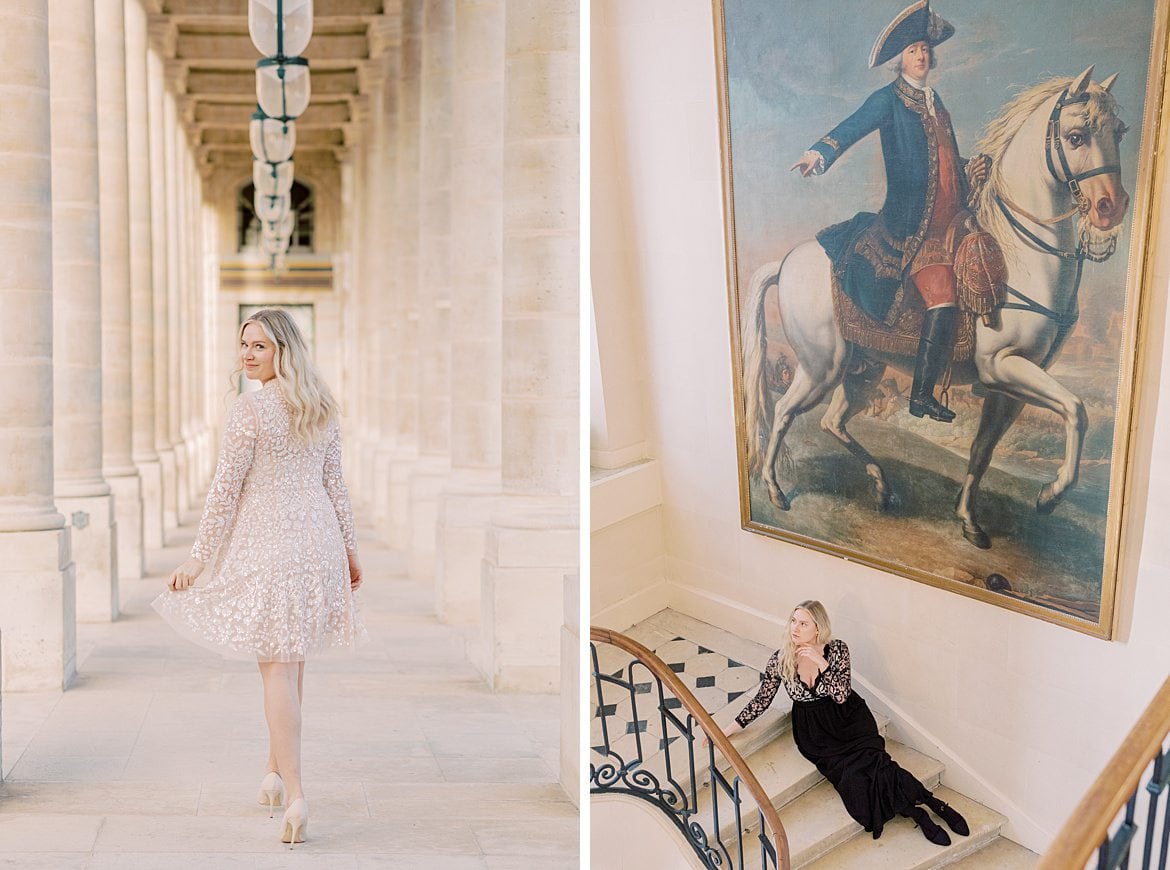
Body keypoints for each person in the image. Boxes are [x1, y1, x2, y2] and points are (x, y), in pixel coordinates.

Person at [153, 308, 365, 848]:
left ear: (283, 352)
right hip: (314, 540)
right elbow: (335, 486)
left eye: (260, 347)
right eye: (244, 344)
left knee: (275, 667)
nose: (247, 354)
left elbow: (225, 492)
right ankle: (273, 773)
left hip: (271, 544)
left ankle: (295, 792)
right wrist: (348, 549)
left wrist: (198, 559)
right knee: (289, 665)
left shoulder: (249, 411)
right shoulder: (320, 406)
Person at [790, 1, 990, 424]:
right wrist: (818, 154)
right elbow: (852, 127)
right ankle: (921, 396)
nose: (923, 56)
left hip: (953, 223)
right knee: (943, 300)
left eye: (926, 50)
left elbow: (946, 162)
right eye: (915, 50)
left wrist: (970, 168)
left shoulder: (938, 105)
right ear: (900, 58)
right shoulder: (887, 100)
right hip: (912, 229)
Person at [720, 601, 969, 846]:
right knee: (855, 778)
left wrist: (821, 662)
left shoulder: (837, 649)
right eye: (793, 621)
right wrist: (728, 730)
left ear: (817, 628)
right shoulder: (781, 658)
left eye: (803, 623)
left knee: (879, 763)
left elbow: (840, 695)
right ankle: (918, 812)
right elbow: (763, 698)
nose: (795, 628)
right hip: (815, 733)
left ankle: (933, 803)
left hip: (849, 718)